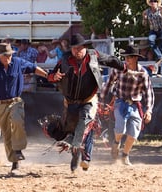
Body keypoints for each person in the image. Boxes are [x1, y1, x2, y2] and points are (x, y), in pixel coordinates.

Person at [47, 33, 125, 173]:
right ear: (70, 49)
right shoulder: (64, 60)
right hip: (70, 102)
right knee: (72, 129)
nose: (77, 51)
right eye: (74, 48)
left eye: (80, 48)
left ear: (85, 47)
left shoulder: (93, 55)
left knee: (85, 121)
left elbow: (111, 60)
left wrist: (123, 67)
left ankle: (86, 157)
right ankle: (76, 155)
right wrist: (54, 77)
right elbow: (51, 75)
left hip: (89, 99)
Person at [0, 43, 48, 175]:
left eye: (10, 55)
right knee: (7, 133)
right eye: (5, 55)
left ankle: (19, 149)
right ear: (0, 56)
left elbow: (34, 68)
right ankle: (15, 163)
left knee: (17, 120)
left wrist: (48, 76)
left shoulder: (18, 62)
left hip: (15, 101)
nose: (8, 57)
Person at [100, 45, 154, 166]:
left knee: (133, 134)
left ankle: (125, 155)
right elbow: (108, 84)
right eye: (125, 57)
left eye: (129, 57)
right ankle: (116, 142)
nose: (126, 60)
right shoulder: (118, 70)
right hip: (120, 102)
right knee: (120, 128)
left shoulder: (143, 73)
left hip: (135, 104)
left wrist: (149, 110)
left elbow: (149, 93)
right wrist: (102, 101)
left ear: (135, 58)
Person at [142, 0, 162, 72]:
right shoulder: (147, 11)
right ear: (150, 3)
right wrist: (144, 18)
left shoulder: (161, 9)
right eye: (151, 1)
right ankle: (160, 57)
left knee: (161, 50)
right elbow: (144, 24)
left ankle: (160, 71)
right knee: (151, 40)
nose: (153, 2)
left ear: (157, 2)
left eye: (155, 1)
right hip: (153, 30)